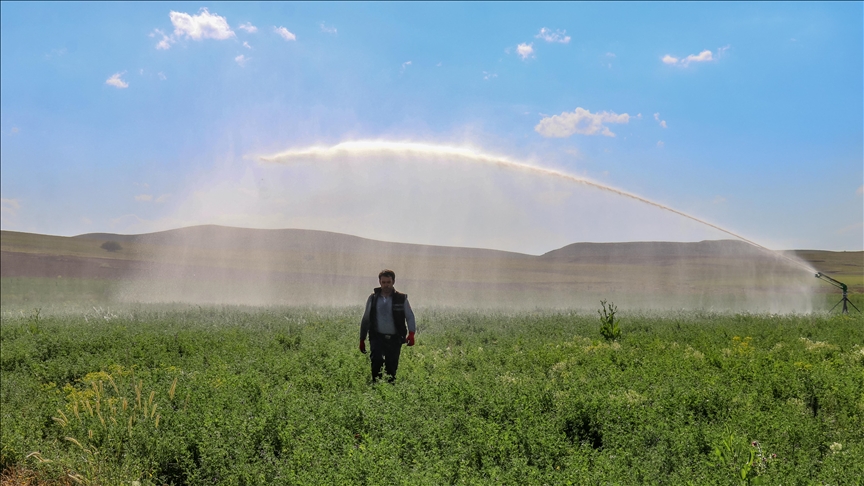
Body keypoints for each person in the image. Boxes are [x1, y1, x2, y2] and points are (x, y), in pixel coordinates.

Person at [359, 269, 416, 383]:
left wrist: (411, 333)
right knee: (376, 361)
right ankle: (376, 386)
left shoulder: (401, 298)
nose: (386, 285)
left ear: (393, 282)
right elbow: (366, 319)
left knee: (391, 366)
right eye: (383, 282)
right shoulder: (373, 298)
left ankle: (390, 389)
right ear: (379, 282)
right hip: (377, 336)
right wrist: (362, 339)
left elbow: (410, 316)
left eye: (388, 282)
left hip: (395, 338)